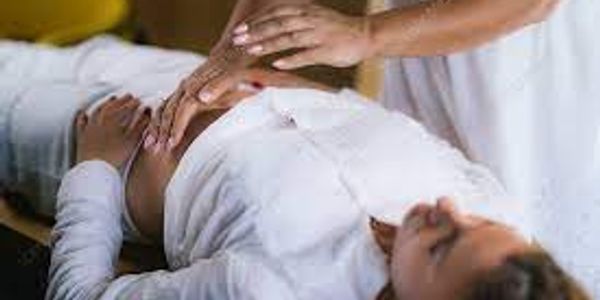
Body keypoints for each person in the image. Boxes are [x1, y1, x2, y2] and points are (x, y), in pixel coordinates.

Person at [0, 37, 587, 299]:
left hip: (89, 139)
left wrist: (96, 166)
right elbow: (377, 127)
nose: (446, 209)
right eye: (479, 224)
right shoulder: (502, 219)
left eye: (441, 247)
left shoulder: (279, 290)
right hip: (172, 73)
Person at [145, 0, 600, 295]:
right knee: (416, 193)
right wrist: (238, 44)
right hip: (431, 42)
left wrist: (367, 35)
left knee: (496, 253)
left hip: (524, 55)